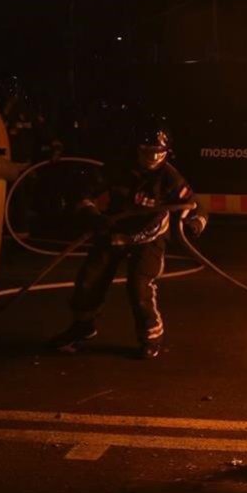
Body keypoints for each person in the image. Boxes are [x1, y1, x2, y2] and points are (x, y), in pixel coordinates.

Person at [48, 118, 207, 359]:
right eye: (147, 151)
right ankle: (82, 327)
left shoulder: (170, 178)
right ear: (136, 149)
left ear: (167, 151)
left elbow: (196, 207)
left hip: (149, 238)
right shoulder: (117, 167)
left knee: (139, 286)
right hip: (114, 234)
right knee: (89, 280)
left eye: (159, 151)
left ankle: (151, 337)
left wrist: (194, 224)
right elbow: (83, 192)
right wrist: (92, 215)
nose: (153, 157)